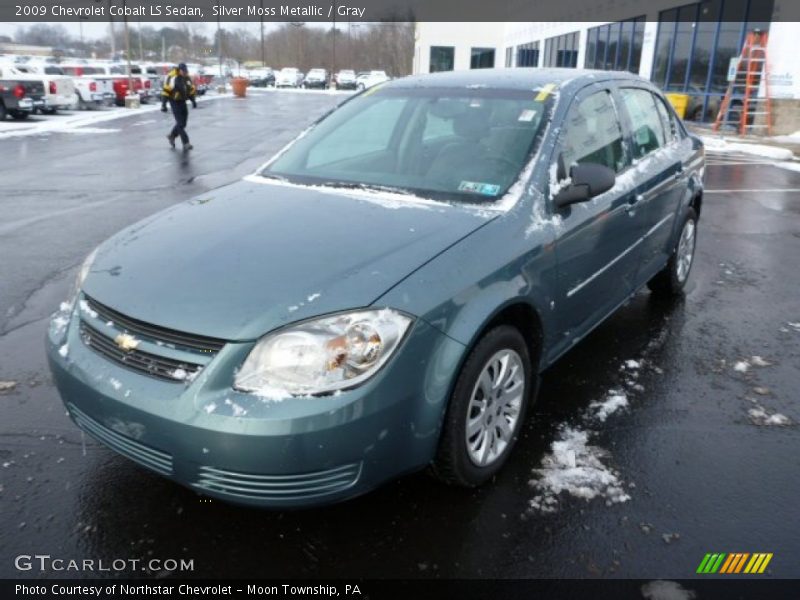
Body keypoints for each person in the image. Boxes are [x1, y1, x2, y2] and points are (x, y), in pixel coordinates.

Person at [161, 63, 197, 151]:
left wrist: (193, 100)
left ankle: (172, 135)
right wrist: (164, 104)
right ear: (179, 70)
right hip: (174, 101)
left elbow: (191, 89)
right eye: (183, 71)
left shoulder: (186, 77)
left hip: (182, 101)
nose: (184, 73)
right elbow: (166, 91)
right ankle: (186, 143)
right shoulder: (172, 77)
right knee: (180, 123)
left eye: (185, 71)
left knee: (183, 123)